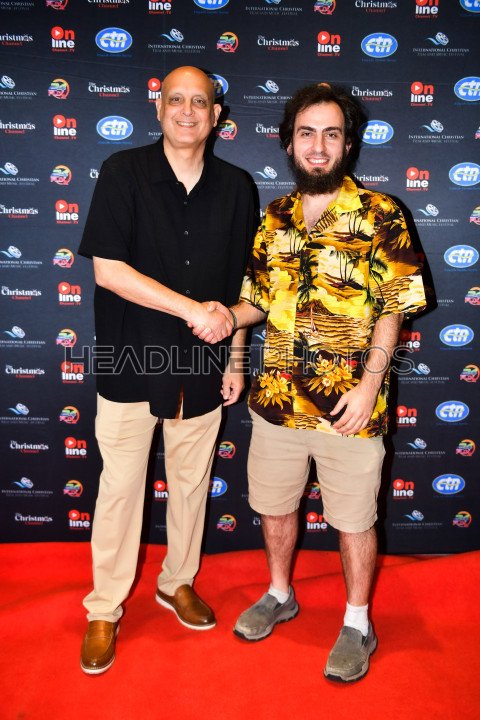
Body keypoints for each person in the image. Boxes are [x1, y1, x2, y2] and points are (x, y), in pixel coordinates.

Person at [202, 83, 426, 682]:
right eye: (307, 133)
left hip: (350, 405)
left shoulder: (381, 213)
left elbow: (394, 307)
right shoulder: (274, 217)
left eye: (331, 134)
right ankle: (280, 593)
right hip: (276, 401)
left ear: (348, 144)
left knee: (354, 519)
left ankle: (357, 621)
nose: (318, 146)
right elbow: (254, 299)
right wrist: (232, 346)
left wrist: (370, 387)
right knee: (275, 509)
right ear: (289, 142)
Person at [78, 66, 255, 675]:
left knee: (191, 485)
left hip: (203, 366)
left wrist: (235, 356)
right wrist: (193, 311)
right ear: (157, 108)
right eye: (174, 99)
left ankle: (176, 581)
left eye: (198, 101)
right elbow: (109, 271)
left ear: (216, 115)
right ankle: (104, 608)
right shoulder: (123, 172)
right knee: (119, 491)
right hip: (130, 361)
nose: (186, 111)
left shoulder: (237, 187)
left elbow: (243, 285)